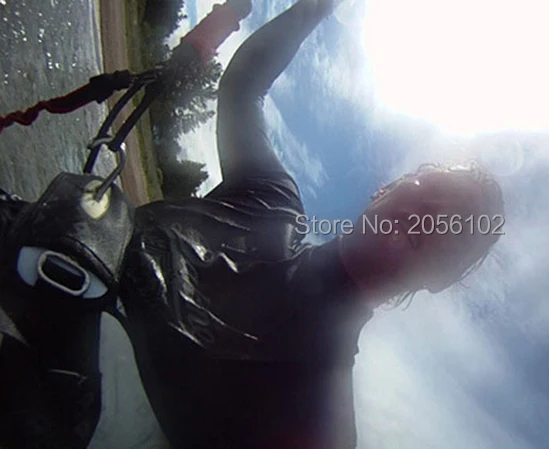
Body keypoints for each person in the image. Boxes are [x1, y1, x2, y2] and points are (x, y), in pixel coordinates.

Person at [1, 0, 505, 448]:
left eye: (457, 229)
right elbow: (244, 86)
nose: (434, 215)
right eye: (431, 189)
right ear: (383, 191)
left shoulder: (322, 429)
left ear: (441, 280)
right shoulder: (270, 198)